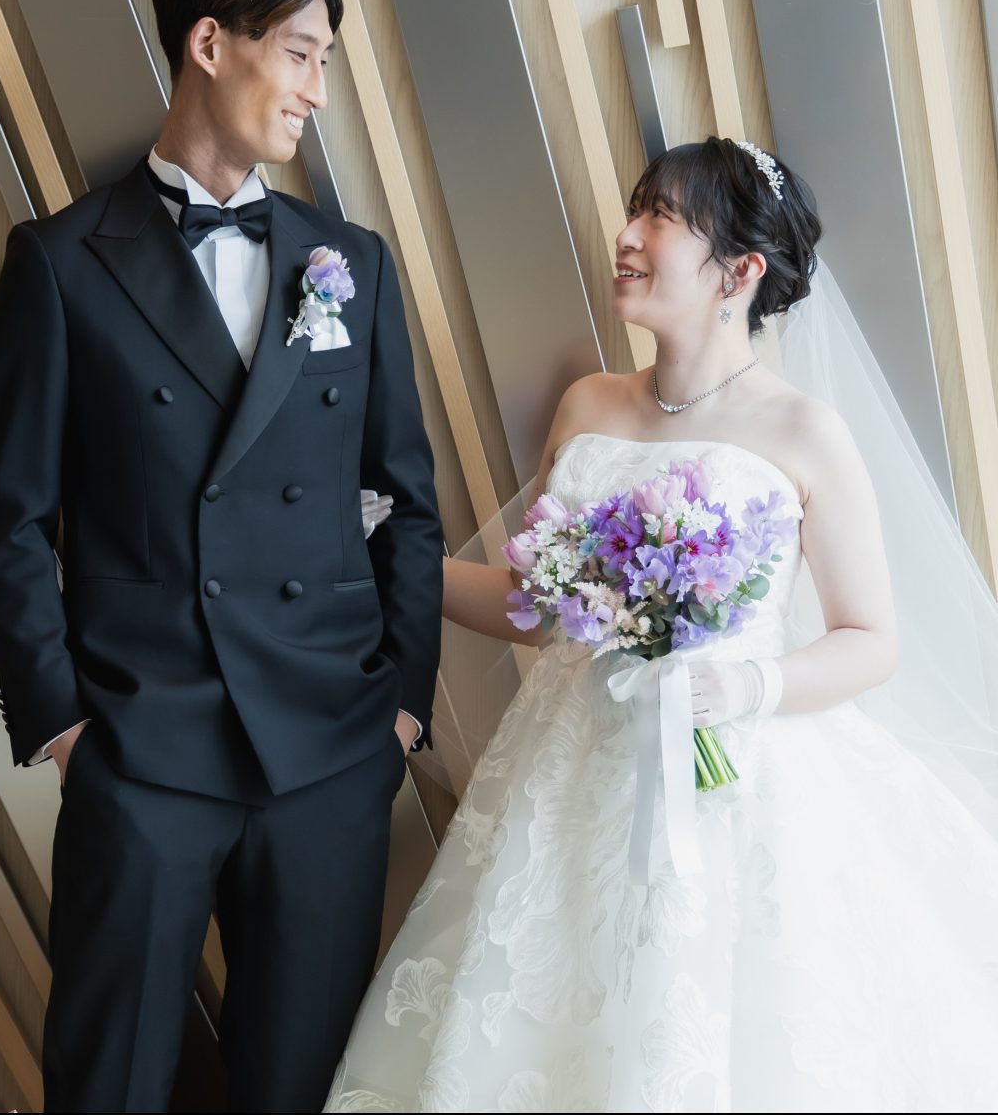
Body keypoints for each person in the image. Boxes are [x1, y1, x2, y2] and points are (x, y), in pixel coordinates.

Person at [329, 136, 998, 1112]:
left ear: (737, 271)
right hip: (568, 773)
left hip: (733, 774)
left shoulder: (802, 430)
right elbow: (535, 609)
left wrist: (752, 684)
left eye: (659, 219)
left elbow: (869, 637)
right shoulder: (587, 404)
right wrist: (384, 556)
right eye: (632, 210)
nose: (625, 236)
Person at [0, 0, 443, 1112]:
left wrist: (399, 703)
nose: (316, 91)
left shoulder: (350, 261)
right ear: (209, 44)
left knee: (298, 1085)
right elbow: (12, 519)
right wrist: (62, 722)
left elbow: (406, 500)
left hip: (329, 746)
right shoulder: (61, 261)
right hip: (142, 744)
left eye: (324, 61)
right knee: (110, 1081)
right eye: (299, 53)